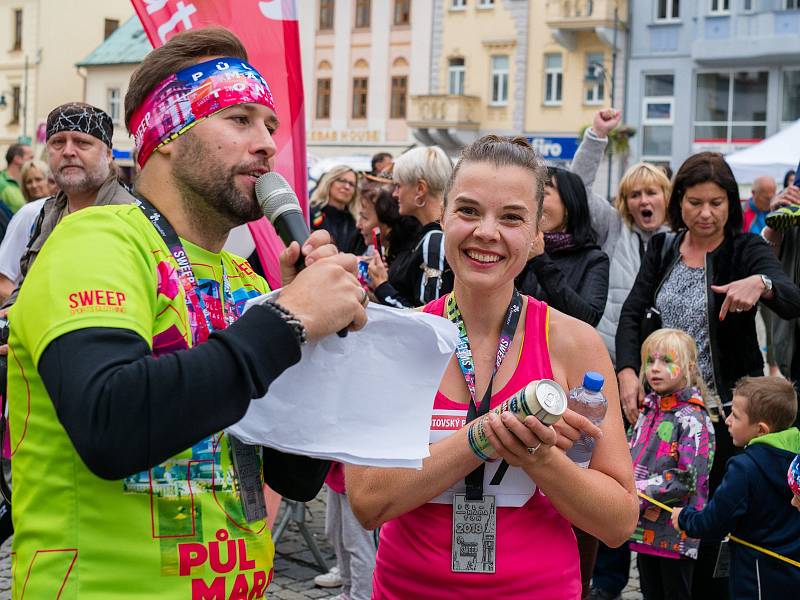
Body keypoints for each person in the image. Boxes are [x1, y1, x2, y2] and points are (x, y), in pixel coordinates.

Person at [7, 27, 368, 598]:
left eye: (270, 125)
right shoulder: (97, 240)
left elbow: (295, 476)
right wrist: (287, 323)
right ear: (167, 135)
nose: (268, 143)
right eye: (240, 119)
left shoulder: (246, 279)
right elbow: (111, 424)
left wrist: (315, 343)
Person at [345, 135, 639, 599]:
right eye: (468, 211)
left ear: (537, 232)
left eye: (511, 217)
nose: (487, 232)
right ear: (443, 217)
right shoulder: (400, 340)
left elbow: (619, 521)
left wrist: (538, 456)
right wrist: (484, 436)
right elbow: (367, 501)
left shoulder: (574, 342)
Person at [616, 151, 800, 599]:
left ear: (730, 204)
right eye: (695, 201)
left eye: (716, 202)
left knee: (712, 536)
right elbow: (633, 314)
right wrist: (626, 371)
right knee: (660, 533)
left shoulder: (744, 248)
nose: (705, 213)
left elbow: (792, 299)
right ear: (679, 201)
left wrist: (763, 284)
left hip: (724, 421)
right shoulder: (662, 248)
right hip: (664, 418)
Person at [672, 377, 800, 599]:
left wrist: (684, 518)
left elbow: (714, 522)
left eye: (736, 416)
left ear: (760, 429)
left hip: (756, 578)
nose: (727, 420)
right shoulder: (795, 457)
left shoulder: (743, 469)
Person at [2, 103, 137, 309]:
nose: (68, 151)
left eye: (82, 142)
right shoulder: (48, 212)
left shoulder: (130, 216)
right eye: (57, 142)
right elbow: (28, 282)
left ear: (108, 155)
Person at [571, 109, 672, 363]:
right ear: (626, 202)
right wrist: (597, 136)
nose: (643, 200)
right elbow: (577, 191)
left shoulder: (681, 239)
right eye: (635, 195)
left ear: (666, 197)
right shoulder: (614, 227)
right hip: (610, 356)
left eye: (651, 192)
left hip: (666, 363)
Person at [629, 329, 715, 600]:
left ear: (688, 368)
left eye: (666, 361)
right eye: (649, 361)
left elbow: (688, 478)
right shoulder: (650, 408)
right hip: (644, 529)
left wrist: (636, 488)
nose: (655, 369)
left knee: (675, 592)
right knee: (650, 591)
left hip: (676, 532)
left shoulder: (692, 417)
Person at [516, 166, 609, 326]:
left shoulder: (593, 259)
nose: (535, 203)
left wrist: (540, 260)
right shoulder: (520, 247)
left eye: (543, 195)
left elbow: (588, 318)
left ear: (569, 205)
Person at [369, 146, 454, 307]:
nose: (395, 194)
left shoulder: (433, 240)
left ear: (420, 189)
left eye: (399, 186)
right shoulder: (431, 236)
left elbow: (429, 319)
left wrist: (382, 286)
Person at [361, 189, 422, 308]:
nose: (358, 224)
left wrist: (381, 285)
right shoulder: (394, 255)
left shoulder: (411, 257)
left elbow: (419, 318)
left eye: (365, 218)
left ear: (386, 225)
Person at [310, 165, 365, 254]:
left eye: (351, 184)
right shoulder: (311, 213)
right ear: (330, 182)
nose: (347, 187)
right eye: (342, 181)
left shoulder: (357, 221)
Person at [0, 143, 32, 214]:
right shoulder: (1, 183)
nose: (33, 161)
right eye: (31, 157)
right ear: (18, 159)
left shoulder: (29, 182)